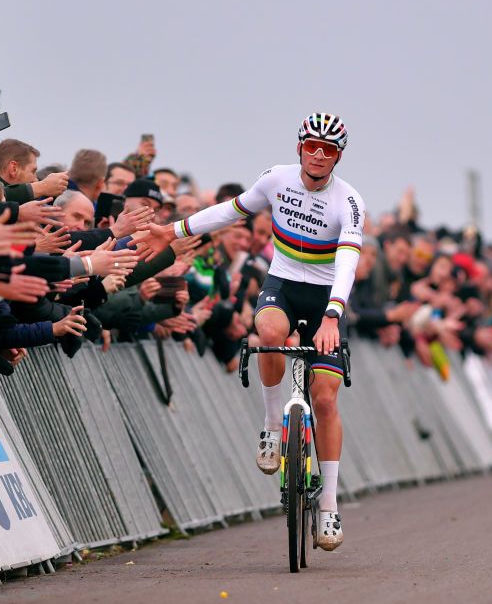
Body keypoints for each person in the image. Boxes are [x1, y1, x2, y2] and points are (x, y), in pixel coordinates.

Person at [135, 112, 364, 551]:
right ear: (299, 147)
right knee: (269, 331)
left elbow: (349, 263)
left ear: (338, 157)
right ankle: (272, 423)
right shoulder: (276, 180)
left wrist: (333, 315)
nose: (318, 155)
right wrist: (173, 230)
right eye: (311, 146)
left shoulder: (348, 201)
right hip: (282, 283)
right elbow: (231, 212)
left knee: (325, 398)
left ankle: (330, 505)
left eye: (328, 149)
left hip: (325, 298)